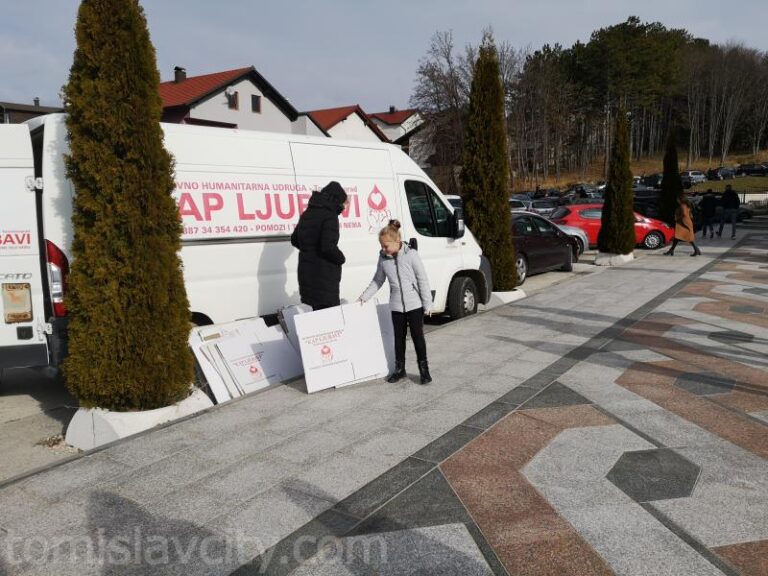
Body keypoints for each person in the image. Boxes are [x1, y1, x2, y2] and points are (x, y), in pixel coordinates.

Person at [358, 220, 433, 385]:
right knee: (398, 339)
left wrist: (428, 304)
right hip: (396, 306)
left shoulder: (411, 255)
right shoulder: (383, 258)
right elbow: (378, 280)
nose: (383, 249)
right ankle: (400, 370)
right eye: (382, 246)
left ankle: (424, 370)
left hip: (414, 305)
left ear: (397, 241)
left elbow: (422, 280)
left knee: (417, 337)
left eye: (386, 246)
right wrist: (365, 296)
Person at [290, 181, 347, 311]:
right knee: (330, 319)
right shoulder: (330, 216)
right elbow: (327, 247)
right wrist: (341, 258)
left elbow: (294, 239)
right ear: (336, 200)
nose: (343, 206)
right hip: (324, 277)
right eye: (342, 202)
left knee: (316, 317)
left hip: (307, 275)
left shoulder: (307, 213)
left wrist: (309, 251)